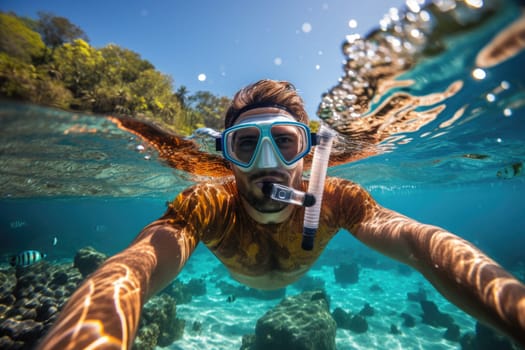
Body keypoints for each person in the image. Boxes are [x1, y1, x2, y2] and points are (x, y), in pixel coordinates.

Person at [38, 79, 525, 348]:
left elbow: (420, 242)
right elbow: (133, 268)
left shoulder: (336, 198)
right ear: (225, 157)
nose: (267, 164)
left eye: (285, 144)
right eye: (246, 146)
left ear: (308, 153)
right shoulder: (209, 203)